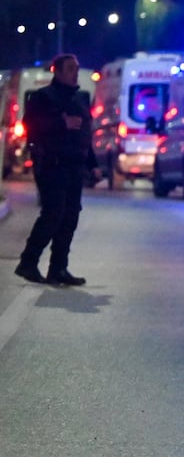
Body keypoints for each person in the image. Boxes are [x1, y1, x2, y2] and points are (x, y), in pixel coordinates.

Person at [14, 53, 97, 286]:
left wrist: (93, 165)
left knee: (70, 217)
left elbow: (84, 135)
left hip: (74, 166)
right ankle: (28, 262)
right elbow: (31, 125)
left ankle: (58, 268)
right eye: (70, 69)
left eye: (76, 69)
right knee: (53, 214)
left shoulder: (79, 99)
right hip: (51, 164)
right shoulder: (43, 98)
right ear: (57, 71)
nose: (75, 73)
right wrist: (62, 123)